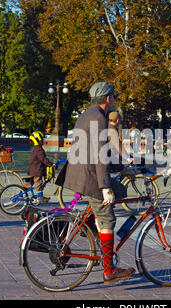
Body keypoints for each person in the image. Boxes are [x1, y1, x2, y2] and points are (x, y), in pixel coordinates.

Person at [60, 81, 135, 285]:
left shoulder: (87, 114)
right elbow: (101, 156)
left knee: (121, 191)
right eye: (114, 97)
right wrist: (105, 187)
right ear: (108, 98)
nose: (114, 101)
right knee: (109, 220)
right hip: (91, 177)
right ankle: (109, 270)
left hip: (81, 173)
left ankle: (88, 222)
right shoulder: (100, 119)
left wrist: (121, 168)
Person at [23, 131, 54, 202]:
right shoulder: (38, 149)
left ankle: (21, 193)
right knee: (39, 184)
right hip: (37, 171)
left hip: (32, 170)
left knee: (28, 183)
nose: (43, 140)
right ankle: (40, 197)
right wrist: (50, 164)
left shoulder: (36, 148)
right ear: (37, 140)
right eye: (41, 139)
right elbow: (42, 159)